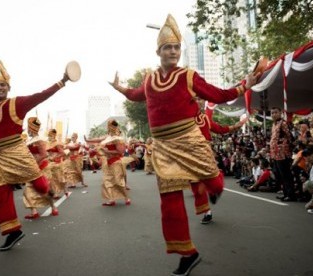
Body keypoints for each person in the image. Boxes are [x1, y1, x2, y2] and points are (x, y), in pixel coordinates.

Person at [109, 14, 258, 276]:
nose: (174, 52)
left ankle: (215, 189)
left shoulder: (188, 76)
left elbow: (218, 95)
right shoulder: (149, 79)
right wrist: (120, 87)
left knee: (214, 182)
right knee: (169, 201)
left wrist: (245, 84)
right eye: (168, 47)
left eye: (177, 47)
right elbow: (136, 96)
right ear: (158, 51)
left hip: (190, 141)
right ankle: (187, 253)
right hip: (163, 147)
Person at [0, 60, 71, 251]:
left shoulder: (17, 103)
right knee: (0, 193)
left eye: (3, 85)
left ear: (8, 88)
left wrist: (62, 81)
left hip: (17, 152)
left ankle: (48, 191)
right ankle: (13, 232)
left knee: (38, 183)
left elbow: (41, 95)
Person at [85, 120, 131, 206]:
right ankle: (111, 200)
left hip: (116, 161)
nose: (110, 127)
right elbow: (98, 139)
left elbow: (120, 151)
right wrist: (88, 140)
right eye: (109, 126)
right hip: (107, 162)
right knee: (106, 181)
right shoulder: (107, 137)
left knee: (118, 181)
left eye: (113, 126)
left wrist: (107, 151)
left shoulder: (117, 138)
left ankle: (126, 198)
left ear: (115, 127)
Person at [23, 117, 59, 219]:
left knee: (45, 189)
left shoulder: (40, 140)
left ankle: (53, 207)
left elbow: (44, 155)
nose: (28, 129)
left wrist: (34, 163)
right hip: (33, 168)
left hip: (42, 168)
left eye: (29, 127)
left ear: (32, 128)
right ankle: (34, 211)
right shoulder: (30, 140)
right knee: (28, 189)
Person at [270, 107, 296, 202]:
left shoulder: (283, 123)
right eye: (272, 113)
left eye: (275, 112)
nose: (273, 114)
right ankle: (285, 193)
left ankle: (290, 194)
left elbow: (290, 137)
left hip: (283, 153)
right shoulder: (274, 124)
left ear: (280, 113)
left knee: (286, 175)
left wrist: (285, 147)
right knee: (281, 175)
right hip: (275, 154)